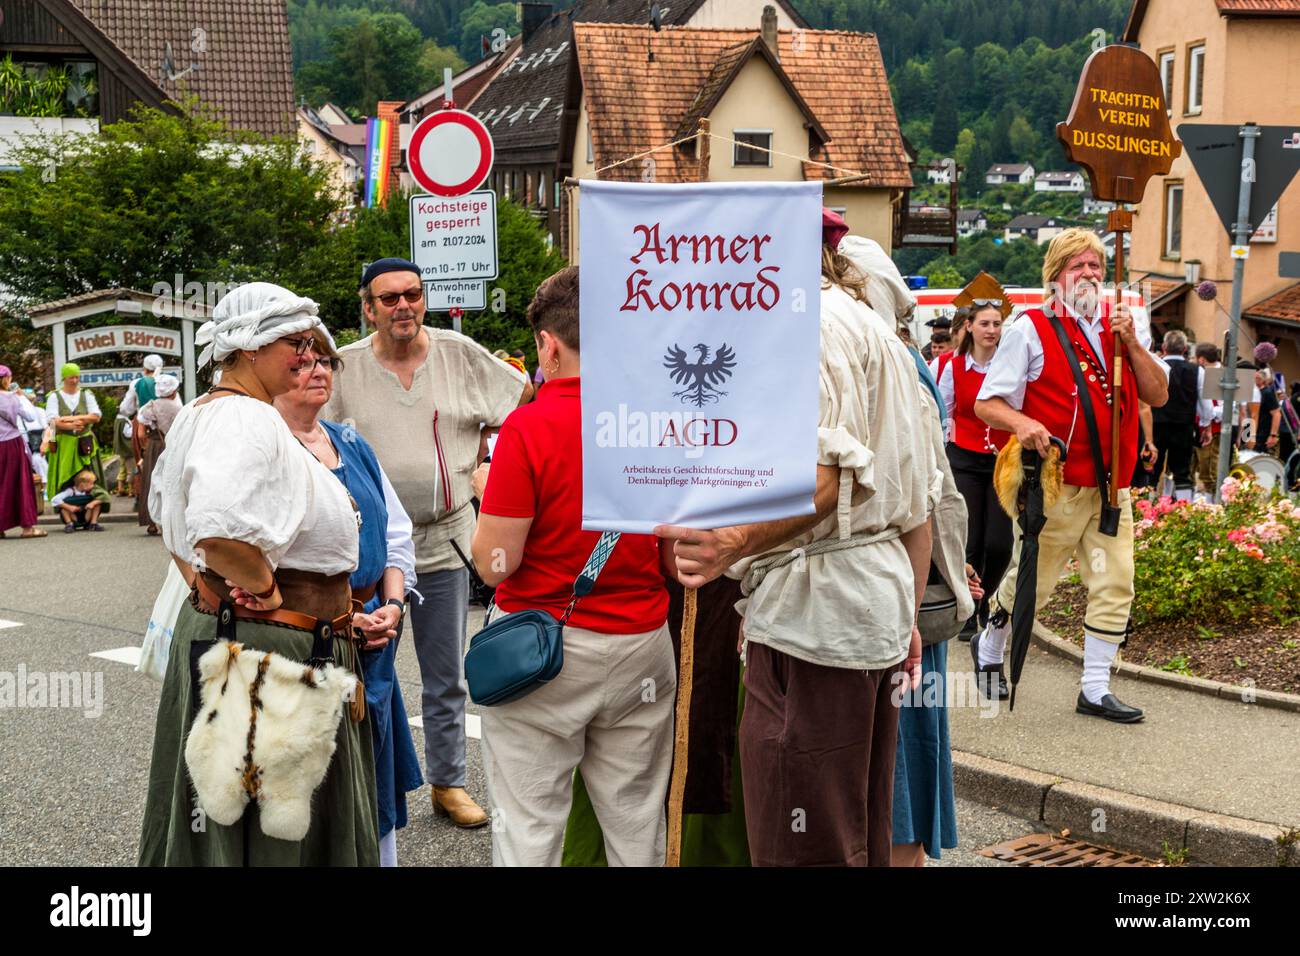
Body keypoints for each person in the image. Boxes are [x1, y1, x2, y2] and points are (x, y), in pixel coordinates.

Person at [656, 222, 940, 867]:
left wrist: (734, 543)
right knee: (854, 834)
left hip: (821, 618)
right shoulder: (879, 333)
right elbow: (920, 503)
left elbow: (829, 473)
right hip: (868, 606)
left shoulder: (802, 329)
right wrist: (911, 614)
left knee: (802, 841)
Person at [139, 282, 377, 866]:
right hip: (271, 651)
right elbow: (216, 529)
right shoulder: (244, 417)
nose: (307, 355)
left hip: (265, 645)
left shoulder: (208, 414)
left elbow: (170, 511)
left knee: (255, 827)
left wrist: (204, 582)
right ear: (250, 348)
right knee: (274, 836)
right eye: (295, 342)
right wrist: (265, 590)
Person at [470, 266, 676, 866]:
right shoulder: (653, 424)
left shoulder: (527, 426)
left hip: (543, 646)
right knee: (636, 823)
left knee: (530, 829)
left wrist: (486, 493)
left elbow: (493, 565)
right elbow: (670, 550)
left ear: (547, 345)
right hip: (640, 638)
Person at [322, 257, 527, 829]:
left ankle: (449, 783)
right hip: (368, 555)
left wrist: (488, 459)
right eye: (388, 298)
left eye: (412, 294)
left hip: (444, 543)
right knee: (363, 676)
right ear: (369, 308)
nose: (403, 306)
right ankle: (362, 789)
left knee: (445, 678)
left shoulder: (460, 355)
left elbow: (520, 402)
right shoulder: (345, 366)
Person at [972, 228, 1169, 723]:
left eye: (1096, 266)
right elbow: (986, 402)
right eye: (1078, 266)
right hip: (1055, 484)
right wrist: (1024, 423)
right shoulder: (1030, 328)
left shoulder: (1122, 323)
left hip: (1111, 488)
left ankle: (1095, 687)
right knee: (1033, 582)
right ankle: (990, 644)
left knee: (1116, 581)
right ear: (1056, 275)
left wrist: (1132, 343)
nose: (1089, 274)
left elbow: (1158, 394)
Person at [273, 331, 422, 868]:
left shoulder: (353, 443)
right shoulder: (268, 452)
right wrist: (338, 621)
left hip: (374, 637)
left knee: (371, 770)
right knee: (313, 780)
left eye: (325, 363)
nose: (318, 372)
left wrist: (393, 607)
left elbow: (396, 536)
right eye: (300, 365)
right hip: (302, 640)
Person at [936, 298, 1013, 658]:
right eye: (985, 323)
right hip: (964, 458)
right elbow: (944, 411)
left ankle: (988, 603)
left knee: (999, 544)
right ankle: (968, 607)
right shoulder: (951, 365)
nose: (992, 330)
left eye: (997, 324)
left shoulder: (1010, 363)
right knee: (970, 538)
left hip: (1001, 460)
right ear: (969, 327)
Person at [45, 362, 106, 505]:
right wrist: (70, 426)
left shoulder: (86, 394)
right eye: (71, 377)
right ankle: (67, 514)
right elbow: (52, 420)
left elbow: (95, 416)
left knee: (89, 477)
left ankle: (91, 512)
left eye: (77, 377)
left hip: (85, 443)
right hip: (64, 443)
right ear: (64, 378)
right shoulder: (54, 396)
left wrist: (70, 418)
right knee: (66, 479)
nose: (74, 381)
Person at [1151, 330, 1200, 500]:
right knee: (1182, 471)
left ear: (1164, 347)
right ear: (1185, 348)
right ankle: (1183, 509)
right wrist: (1205, 425)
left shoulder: (1154, 366)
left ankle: (1145, 508)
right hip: (1183, 424)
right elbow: (1203, 402)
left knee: (1152, 468)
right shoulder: (1196, 370)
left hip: (1156, 423)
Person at [0, 366, 46, 538]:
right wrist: (22, 397)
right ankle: (27, 528)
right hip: (12, 444)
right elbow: (30, 416)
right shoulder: (13, 398)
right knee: (21, 483)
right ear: (7, 380)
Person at [135, 373, 182, 535]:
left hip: (155, 445)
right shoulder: (179, 409)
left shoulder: (149, 407)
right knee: (170, 482)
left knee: (151, 481)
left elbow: (141, 434)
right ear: (173, 391)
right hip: (174, 447)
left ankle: (152, 522)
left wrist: (145, 447)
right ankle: (170, 520)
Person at [114, 355, 164, 497]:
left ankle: (142, 497)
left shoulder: (137, 383)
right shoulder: (166, 382)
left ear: (144, 368)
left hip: (142, 424)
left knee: (142, 462)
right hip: (163, 427)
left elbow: (126, 409)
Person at [1192, 342, 1223, 493]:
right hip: (1197, 425)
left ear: (1202, 359)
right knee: (1192, 468)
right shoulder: (1202, 373)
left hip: (1213, 428)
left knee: (1209, 471)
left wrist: (1208, 412)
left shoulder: (1220, 375)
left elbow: (1228, 407)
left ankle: (1214, 506)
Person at [1251, 367, 1281, 457]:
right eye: (1255, 378)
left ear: (1264, 380)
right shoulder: (1254, 392)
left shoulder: (1267, 392)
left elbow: (1277, 414)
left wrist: (1273, 435)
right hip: (1253, 431)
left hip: (1263, 433)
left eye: (1258, 378)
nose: (1256, 380)